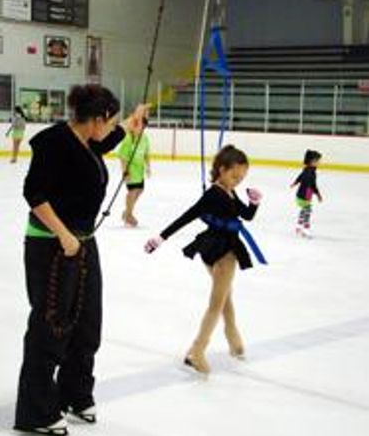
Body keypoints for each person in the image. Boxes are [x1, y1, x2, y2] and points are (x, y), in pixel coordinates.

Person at [14, 84, 148, 436]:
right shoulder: (54, 143)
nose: (111, 127)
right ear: (98, 118)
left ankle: (74, 392)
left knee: (87, 323)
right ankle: (36, 410)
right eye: (112, 120)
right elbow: (34, 193)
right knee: (52, 324)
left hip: (84, 243)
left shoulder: (88, 141)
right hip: (52, 245)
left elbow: (104, 142)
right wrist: (62, 234)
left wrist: (130, 124)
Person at [145, 145, 263, 375]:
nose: (237, 180)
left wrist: (254, 204)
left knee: (225, 297)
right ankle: (197, 351)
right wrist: (161, 237)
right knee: (217, 303)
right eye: (234, 175)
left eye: (242, 177)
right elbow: (188, 216)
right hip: (222, 252)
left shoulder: (229, 190)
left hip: (214, 247)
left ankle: (232, 338)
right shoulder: (213, 194)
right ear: (222, 169)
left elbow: (245, 215)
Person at [117, 117, 151, 227]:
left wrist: (148, 167)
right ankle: (129, 215)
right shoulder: (128, 138)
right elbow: (122, 156)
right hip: (131, 169)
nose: (139, 128)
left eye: (142, 126)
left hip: (139, 170)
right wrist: (125, 171)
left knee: (140, 190)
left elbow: (146, 153)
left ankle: (127, 212)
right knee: (132, 192)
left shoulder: (144, 138)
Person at [290, 149, 323, 238]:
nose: (319, 162)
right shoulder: (311, 173)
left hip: (300, 195)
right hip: (304, 196)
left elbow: (300, 177)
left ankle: (298, 226)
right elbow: (312, 185)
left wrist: (295, 183)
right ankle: (305, 229)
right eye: (317, 161)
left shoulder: (307, 169)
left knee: (304, 210)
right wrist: (315, 195)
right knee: (307, 212)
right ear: (312, 162)